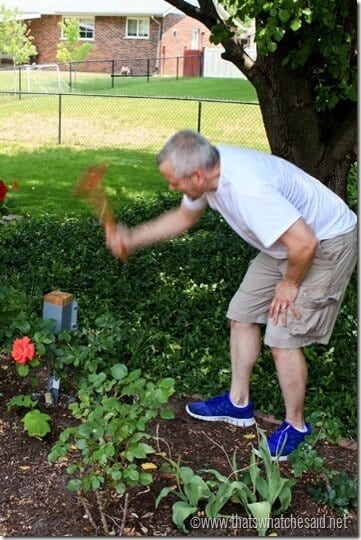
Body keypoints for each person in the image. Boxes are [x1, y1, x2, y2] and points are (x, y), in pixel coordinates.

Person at [106, 130, 357, 461]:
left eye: (173, 181)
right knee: (241, 314)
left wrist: (290, 284)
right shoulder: (208, 170)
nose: (171, 188)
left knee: (282, 339)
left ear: (197, 175)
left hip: (324, 242)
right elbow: (184, 217)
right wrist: (132, 237)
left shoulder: (248, 189)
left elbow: (305, 243)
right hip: (287, 240)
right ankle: (239, 404)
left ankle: (295, 426)